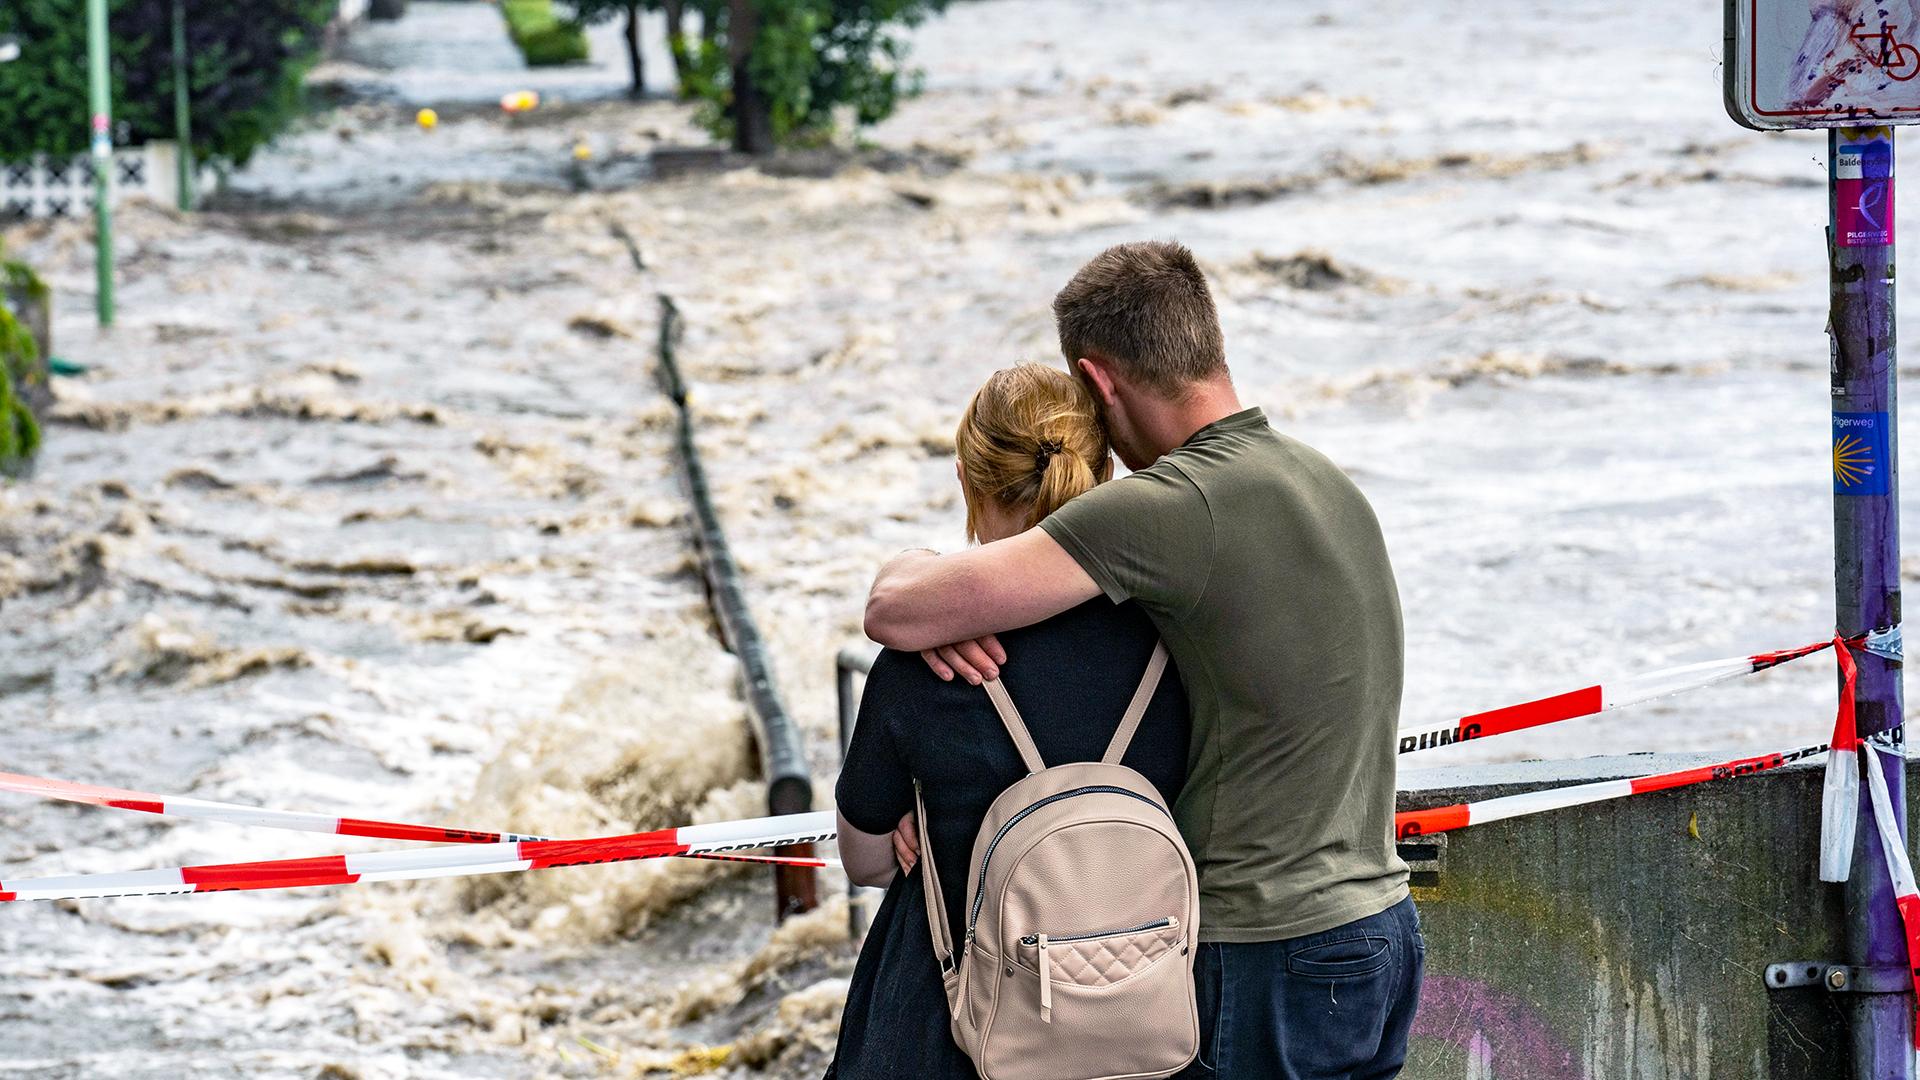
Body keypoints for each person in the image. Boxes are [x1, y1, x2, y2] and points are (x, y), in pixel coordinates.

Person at [863, 241, 1422, 1079]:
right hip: (1382, 928)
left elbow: (896, 611)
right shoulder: (1324, 481)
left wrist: (927, 596)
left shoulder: (1167, 505)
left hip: (1264, 949)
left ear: (1098, 383)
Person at [828, 364, 1190, 1080]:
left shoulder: (925, 662)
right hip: (1136, 1023)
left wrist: (928, 823)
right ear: (1105, 471)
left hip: (946, 1030)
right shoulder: (1180, 638)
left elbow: (866, 862)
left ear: (966, 479)